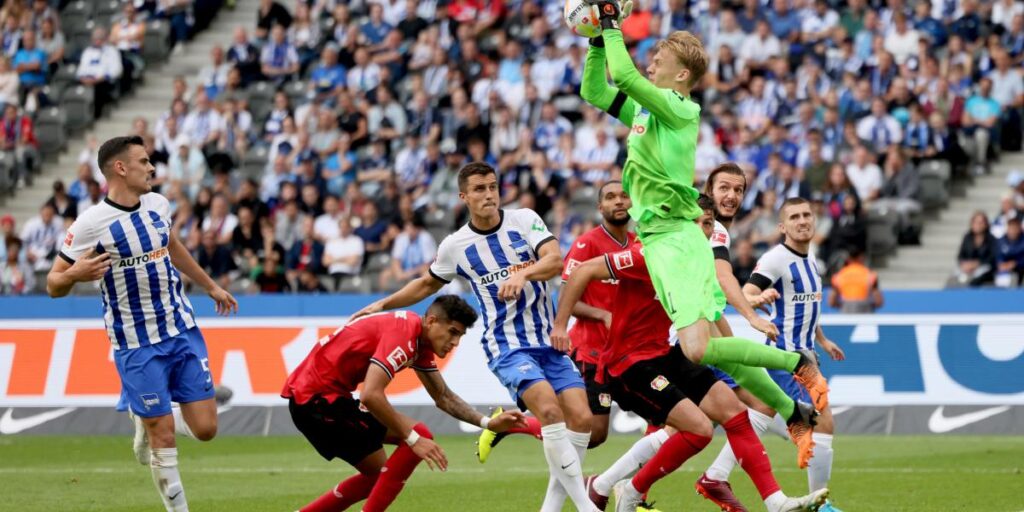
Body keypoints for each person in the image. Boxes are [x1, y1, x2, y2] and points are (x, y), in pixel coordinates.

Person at [579, 2, 829, 423]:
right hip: (659, 237)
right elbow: (595, 91)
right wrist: (597, 43)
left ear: (681, 76)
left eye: (660, 61)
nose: (651, 64)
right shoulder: (647, 110)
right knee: (697, 348)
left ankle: (793, 371)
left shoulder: (679, 108)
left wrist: (609, 23)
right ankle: (793, 389)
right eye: (652, 59)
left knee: (697, 347)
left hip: (675, 235)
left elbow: (623, 76)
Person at [551, 195, 828, 512]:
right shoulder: (649, 255)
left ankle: (775, 502)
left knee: (734, 412)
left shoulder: (697, 265)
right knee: (697, 429)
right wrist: (560, 325)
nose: (701, 229)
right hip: (627, 363)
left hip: (666, 352)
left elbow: (711, 313)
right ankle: (628, 490)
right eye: (694, 222)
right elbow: (583, 270)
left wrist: (739, 335)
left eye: (707, 223)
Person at [353, 163, 601, 512]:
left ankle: (551, 508)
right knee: (548, 410)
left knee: (583, 419)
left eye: (493, 187)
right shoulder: (456, 245)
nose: (489, 194)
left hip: (546, 340)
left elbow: (554, 261)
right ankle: (586, 507)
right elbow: (426, 284)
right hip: (507, 345)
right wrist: (382, 302)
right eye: (480, 189)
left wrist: (524, 274)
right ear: (464, 196)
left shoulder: (524, 219)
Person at [45, 136, 238, 512]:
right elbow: (53, 283)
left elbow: (172, 244)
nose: (152, 168)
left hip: (180, 329)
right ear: (121, 168)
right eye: (144, 161)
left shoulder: (158, 204)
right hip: (135, 343)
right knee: (162, 434)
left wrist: (210, 285)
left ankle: (146, 413)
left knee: (206, 429)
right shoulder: (90, 224)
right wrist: (75, 274)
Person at [283, 295, 526, 512]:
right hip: (317, 402)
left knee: (380, 477)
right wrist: (412, 439)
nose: (455, 343)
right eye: (452, 332)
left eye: (460, 335)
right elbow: (371, 395)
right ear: (431, 321)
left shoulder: (418, 341)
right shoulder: (404, 334)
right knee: (412, 440)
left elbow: (443, 397)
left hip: (324, 399)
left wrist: (488, 422)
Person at [700, 198, 847, 512]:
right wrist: (756, 298)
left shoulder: (811, 260)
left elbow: (808, 305)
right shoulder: (775, 259)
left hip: (807, 352)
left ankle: (716, 474)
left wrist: (822, 339)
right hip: (787, 355)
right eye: (794, 217)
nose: (802, 221)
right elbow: (747, 292)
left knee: (764, 411)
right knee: (822, 423)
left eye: (807, 215)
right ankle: (821, 505)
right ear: (782, 227)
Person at [477, 180, 636, 462]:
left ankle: (631, 490)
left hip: (630, 350)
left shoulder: (639, 246)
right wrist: (601, 315)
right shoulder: (587, 244)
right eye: (611, 197)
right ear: (600, 207)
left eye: (623, 196)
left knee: (663, 414)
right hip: (592, 351)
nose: (618, 202)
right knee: (593, 433)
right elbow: (567, 296)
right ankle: (511, 427)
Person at [829, 246, 884, 312]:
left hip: (846, 310)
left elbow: (831, 301)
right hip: (865, 311)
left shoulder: (838, 276)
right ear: (861, 257)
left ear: (848, 258)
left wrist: (842, 305)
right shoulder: (870, 275)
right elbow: (878, 301)